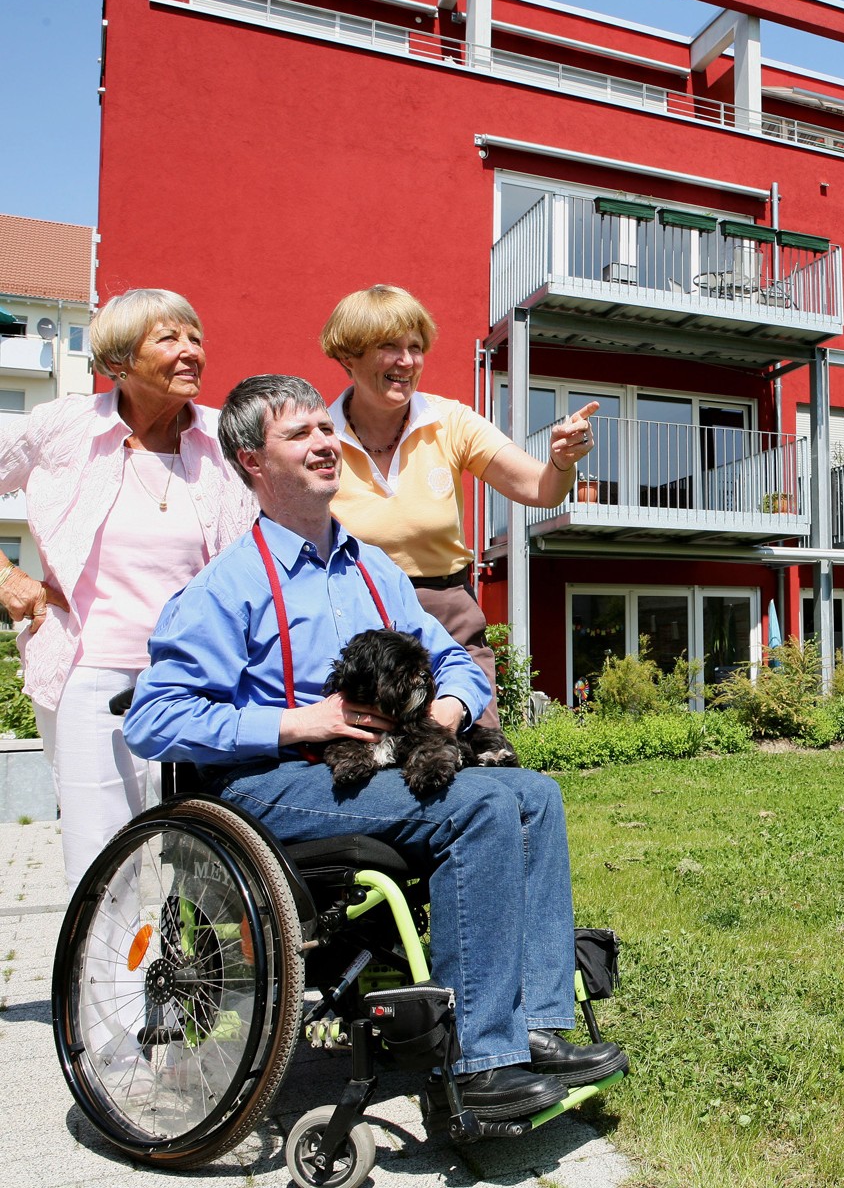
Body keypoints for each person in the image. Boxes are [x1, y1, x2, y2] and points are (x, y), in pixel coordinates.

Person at [124, 375, 626, 1120]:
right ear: (252, 462)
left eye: (325, 430)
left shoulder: (371, 569)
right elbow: (153, 718)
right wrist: (301, 722)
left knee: (534, 793)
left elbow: (449, 658)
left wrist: (450, 710)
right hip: (270, 783)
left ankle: (535, 1026)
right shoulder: (227, 587)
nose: (327, 443)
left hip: (371, 773)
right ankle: (479, 1063)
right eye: (300, 435)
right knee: (484, 804)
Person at [0, 289, 256, 884]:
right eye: (169, 339)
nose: (191, 352)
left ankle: (202, 978)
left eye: (196, 338)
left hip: (202, 673)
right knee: (105, 862)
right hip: (92, 669)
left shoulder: (223, 438)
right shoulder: (64, 427)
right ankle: (105, 980)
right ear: (120, 360)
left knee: (213, 862)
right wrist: (8, 577)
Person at [318, 286, 599, 761]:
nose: (406, 361)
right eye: (390, 346)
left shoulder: (451, 422)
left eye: (415, 348)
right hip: (360, 626)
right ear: (348, 354)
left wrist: (560, 462)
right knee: (373, 764)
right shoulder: (320, 438)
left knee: (483, 758)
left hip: (446, 617)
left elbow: (539, 489)